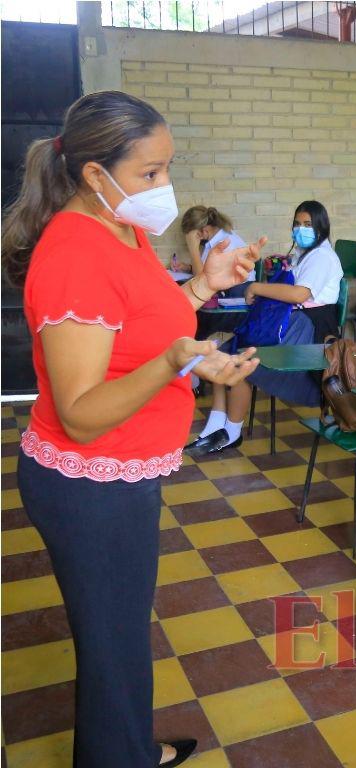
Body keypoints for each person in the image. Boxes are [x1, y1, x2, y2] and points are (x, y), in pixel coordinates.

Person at [1, 90, 262, 768]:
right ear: (95, 173)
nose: (164, 185)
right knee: (113, 645)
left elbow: (140, 321)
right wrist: (176, 363)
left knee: (117, 640)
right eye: (150, 172)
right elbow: (82, 412)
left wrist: (203, 286)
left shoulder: (123, 227)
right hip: (91, 485)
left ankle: (125, 750)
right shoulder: (74, 254)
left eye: (168, 167)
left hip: (124, 472)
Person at [186, 201, 341, 456]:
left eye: (308, 224)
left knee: (242, 363)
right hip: (288, 321)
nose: (300, 229)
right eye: (297, 224)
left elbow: (299, 294)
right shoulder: (304, 253)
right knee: (225, 353)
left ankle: (231, 431)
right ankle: (215, 425)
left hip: (308, 329)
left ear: (321, 227)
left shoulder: (323, 256)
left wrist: (256, 287)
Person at [178, 205, 256, 297]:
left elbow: (201, 282)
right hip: (228, 289)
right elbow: (207, 271)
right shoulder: (215, 239)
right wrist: (188, 268)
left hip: (237, 294)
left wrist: (193, 249)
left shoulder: (224, 244)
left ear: (204, 231)